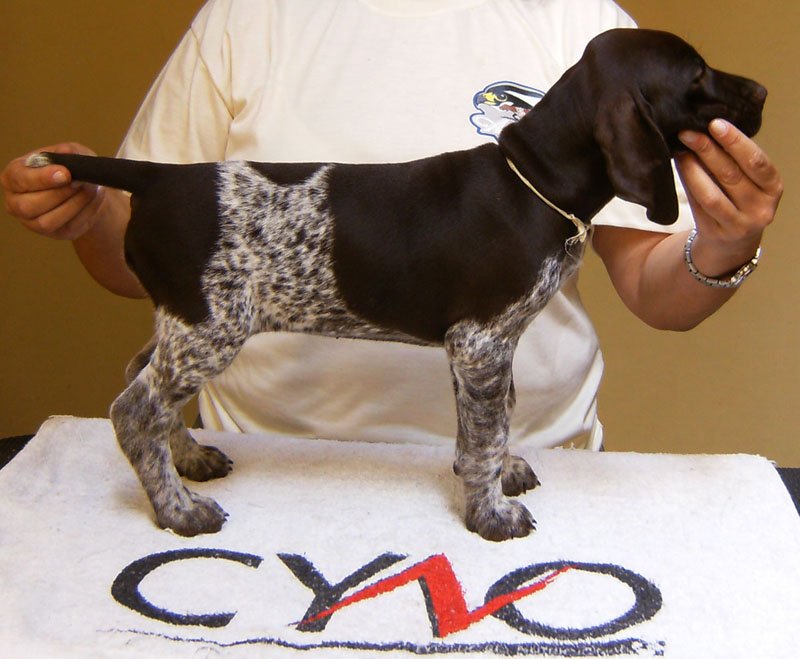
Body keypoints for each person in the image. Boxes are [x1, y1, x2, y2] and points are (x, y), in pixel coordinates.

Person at [1, 0, 783, 451]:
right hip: (270, 467)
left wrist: (726, 243)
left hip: (540, 464)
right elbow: (143, 259)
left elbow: (652, 285)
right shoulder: (250, 16)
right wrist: (92, 212)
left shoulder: (574, 18)